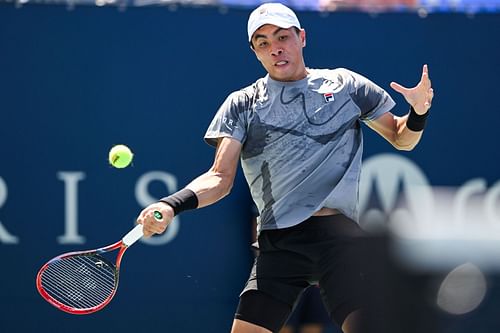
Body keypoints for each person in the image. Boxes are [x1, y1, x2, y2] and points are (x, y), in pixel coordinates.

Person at [136, 3, 434, 333]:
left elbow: (400, 137)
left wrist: (418, 113)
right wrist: (169, 204)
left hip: (339, 242)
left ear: (301, 37)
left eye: (282, 37)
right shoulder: (243, 103)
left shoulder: (345, 85)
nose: (275, 48)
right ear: (255, 52)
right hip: (280, 244)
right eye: (262, 42)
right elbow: (219, 178)